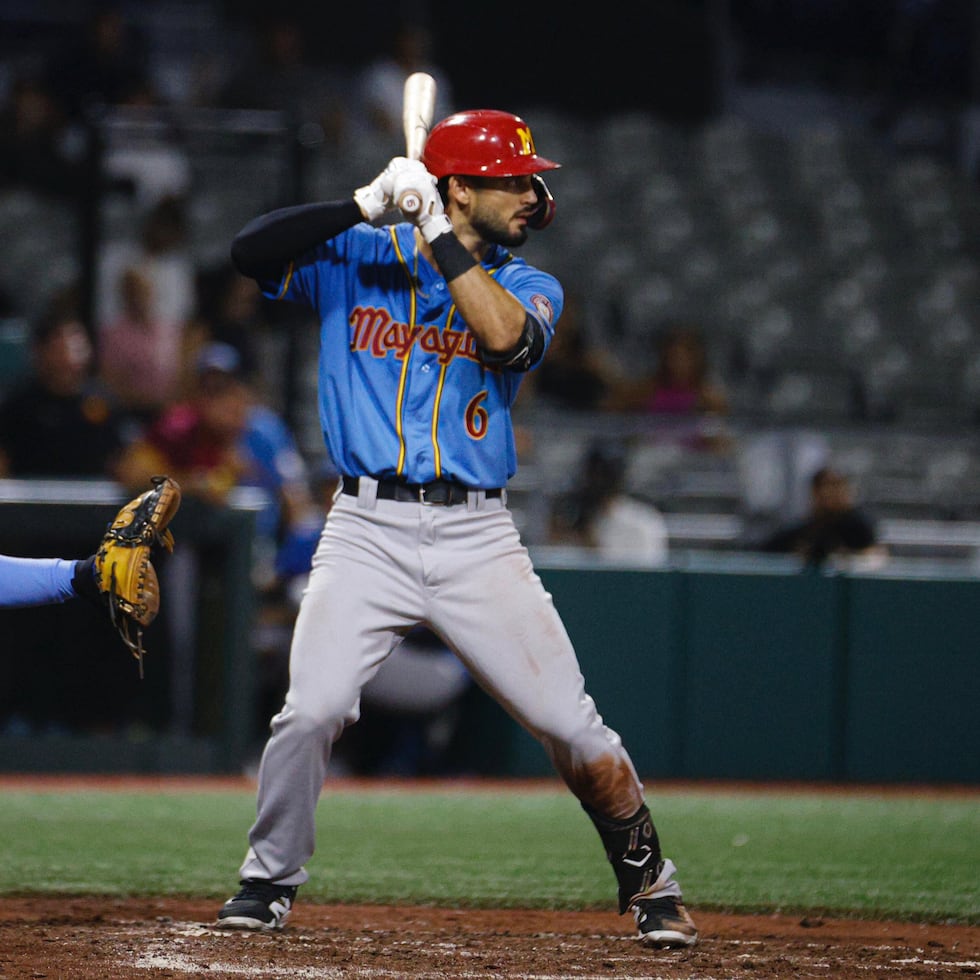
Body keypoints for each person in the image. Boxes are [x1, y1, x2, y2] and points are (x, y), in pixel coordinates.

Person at [214, 108, 698, 949]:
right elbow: (247, 253)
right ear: (463, 185)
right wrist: (358, 206)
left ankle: (653, 883)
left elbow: (507, 342)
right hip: (365, 525)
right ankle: (268, 879)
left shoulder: (529, 283)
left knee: (570, 725)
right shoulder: (357, 256)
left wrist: (436, 229)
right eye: (510, 179)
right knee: (310, 711)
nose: (529, 191)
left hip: (477, 537)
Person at [0, 300, 132, 479]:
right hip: (31, 499)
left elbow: (123, 461)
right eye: (58, 347)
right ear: (39, 351)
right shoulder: (19, 404)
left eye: (76, 346)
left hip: (93, 500)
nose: (68, 357)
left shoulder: (103, 402)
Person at [549, 443, 670, 566]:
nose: (598, 483)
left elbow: (647, 575)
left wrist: (593, 546)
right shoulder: (572, 518)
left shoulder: (644, 522)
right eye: (594, 475)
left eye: (604, 476)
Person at [759, 466, 887, 568]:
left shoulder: (859, 526)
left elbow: (874, 557)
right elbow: (768, 553)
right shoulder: (806, 529)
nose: (829, 493)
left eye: (836, 486)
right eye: (824, 486)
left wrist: (845, 558)